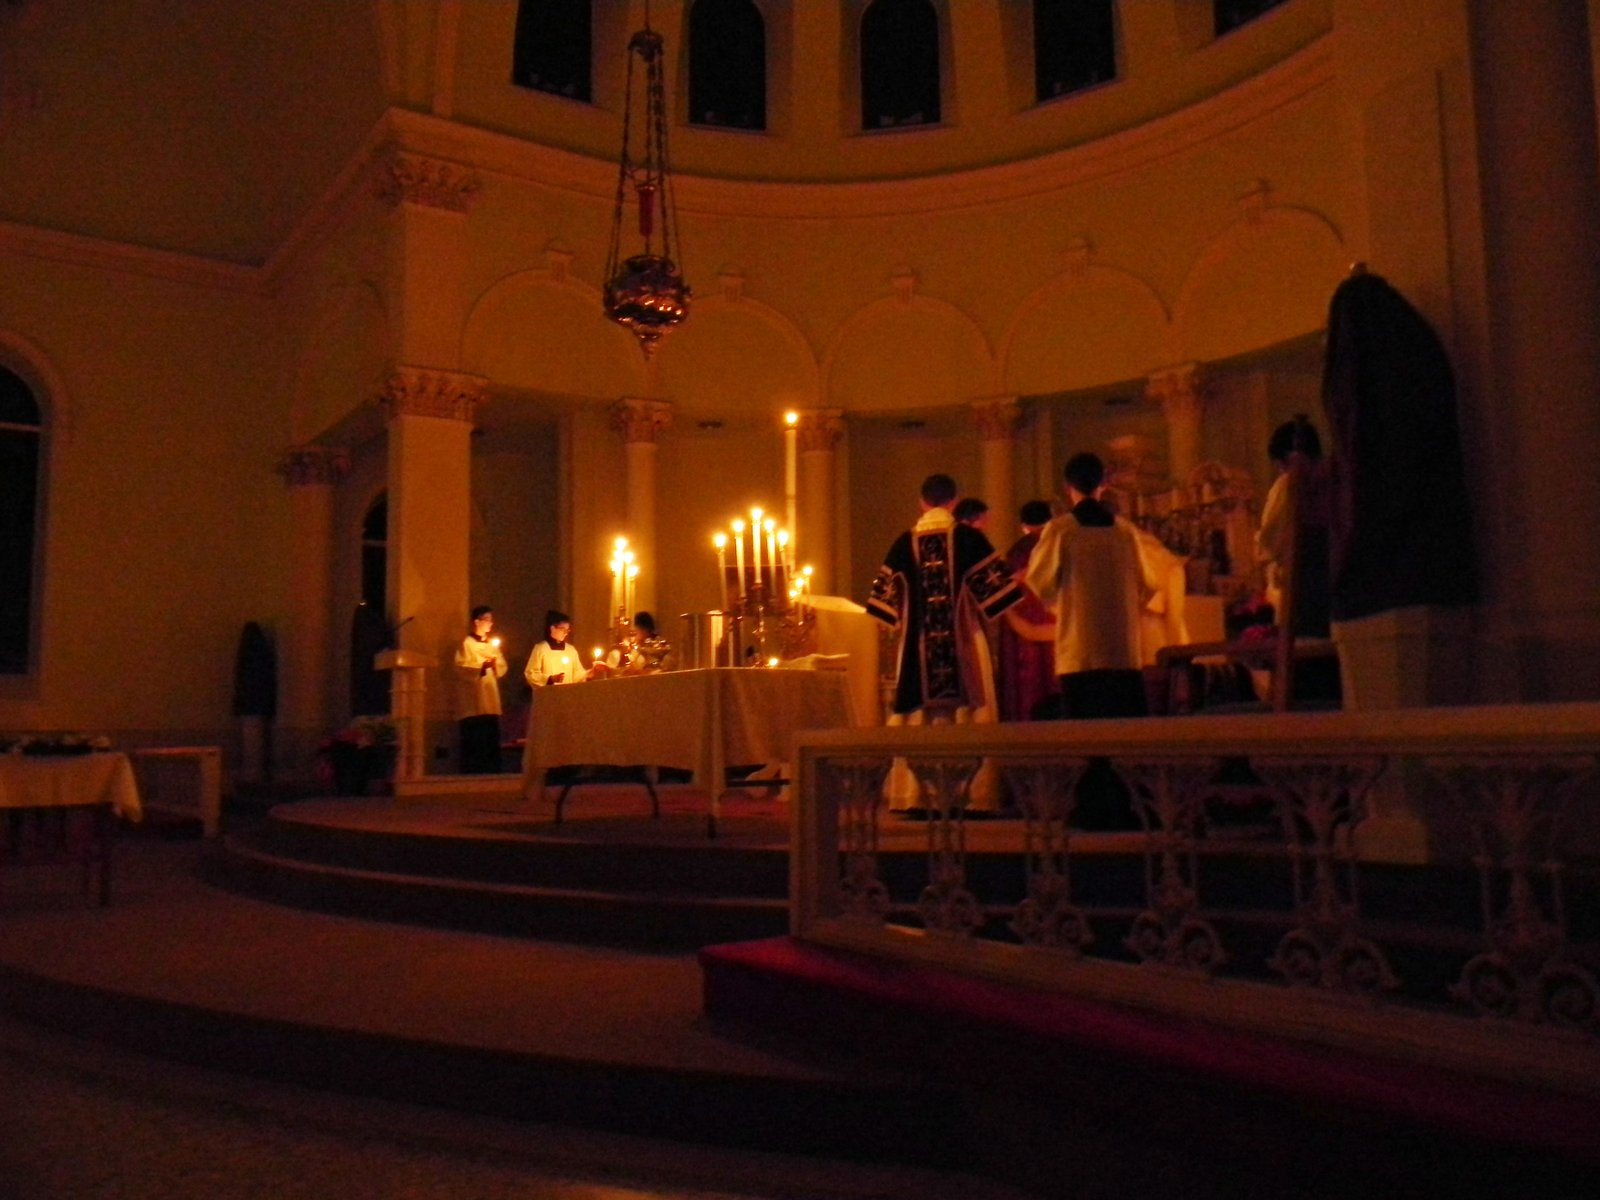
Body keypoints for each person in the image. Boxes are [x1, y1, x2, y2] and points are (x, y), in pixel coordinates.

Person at [1026, 453, 1166, 829]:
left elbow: (1039, 582)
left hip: (1081, 646)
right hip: (1121, 649)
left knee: (1085, 733)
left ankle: (1090, 810)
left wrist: (1063, 603)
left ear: (1067, 487)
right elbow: (1149, 583)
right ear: (1103, 484)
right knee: (1123, 733)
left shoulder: (1061, 531)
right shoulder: (1125, 531)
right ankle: (1126, 808)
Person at [869, 473, 1022, 722]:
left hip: (916, 652)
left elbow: (883, 605)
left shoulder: (903, 544)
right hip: (966, 641)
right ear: (954, 502)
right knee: (972, 716)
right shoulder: (970, 539)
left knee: (919, 720)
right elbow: (999, 594)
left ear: (922, 502)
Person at [997, 500, 1060, 721]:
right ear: (1050, 521)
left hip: (1023, 640)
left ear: (1023, 524)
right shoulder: (1058, 547)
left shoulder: (1016, 553)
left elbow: (1006, 596)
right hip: (1059, 633)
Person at [454, 605, 508, 774]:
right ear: (476, 622)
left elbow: (502, 667)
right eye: (487, 620)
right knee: (474, 737)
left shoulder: (492, 645)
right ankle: (473, 771)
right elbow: (461, 668)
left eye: (491, 620)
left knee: (490, 734)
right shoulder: (466, 643)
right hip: (473, 699)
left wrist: (494, 664)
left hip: (489, 695)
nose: (491, 623)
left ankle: (492, 770)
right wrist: (481, 667)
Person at [524, 610, 590, 688]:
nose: (565, 633)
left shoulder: (571, 650)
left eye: (567, 630)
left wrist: (589, 673)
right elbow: (531, 673)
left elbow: (576, 674)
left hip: (567, 692)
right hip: (549, 692)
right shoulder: (541, 648)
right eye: (562, 629)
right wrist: (550, 679)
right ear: (552, 628)